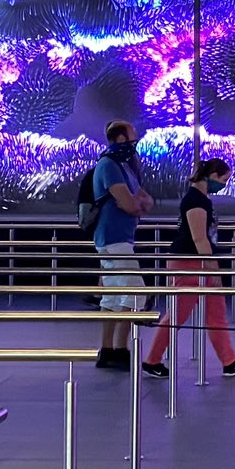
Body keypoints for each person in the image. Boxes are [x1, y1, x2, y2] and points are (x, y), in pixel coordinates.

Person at [141, 157, 235, 380]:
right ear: (212, 176)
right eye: (224, 180)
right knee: (177, 315)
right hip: (189, 263)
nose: (224, 185)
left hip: (196, 261)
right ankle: (152, 360)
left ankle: (229, 361)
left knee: (216, 314)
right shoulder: (196, 201)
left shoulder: (200, 199)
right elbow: (199, 238)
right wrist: (213, 269)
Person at [92, 119, 152, 370]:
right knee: (136, 292)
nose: (135, 141)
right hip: (114, 239)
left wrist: (135, 203)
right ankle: (120, 349)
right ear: (120, 139)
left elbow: (144, 200)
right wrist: (134, 204)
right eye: (132, 136)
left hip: (120, 238)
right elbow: (130, 204)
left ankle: (107, 350)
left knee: (113, 297)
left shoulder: (124, 165)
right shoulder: (109, 164)